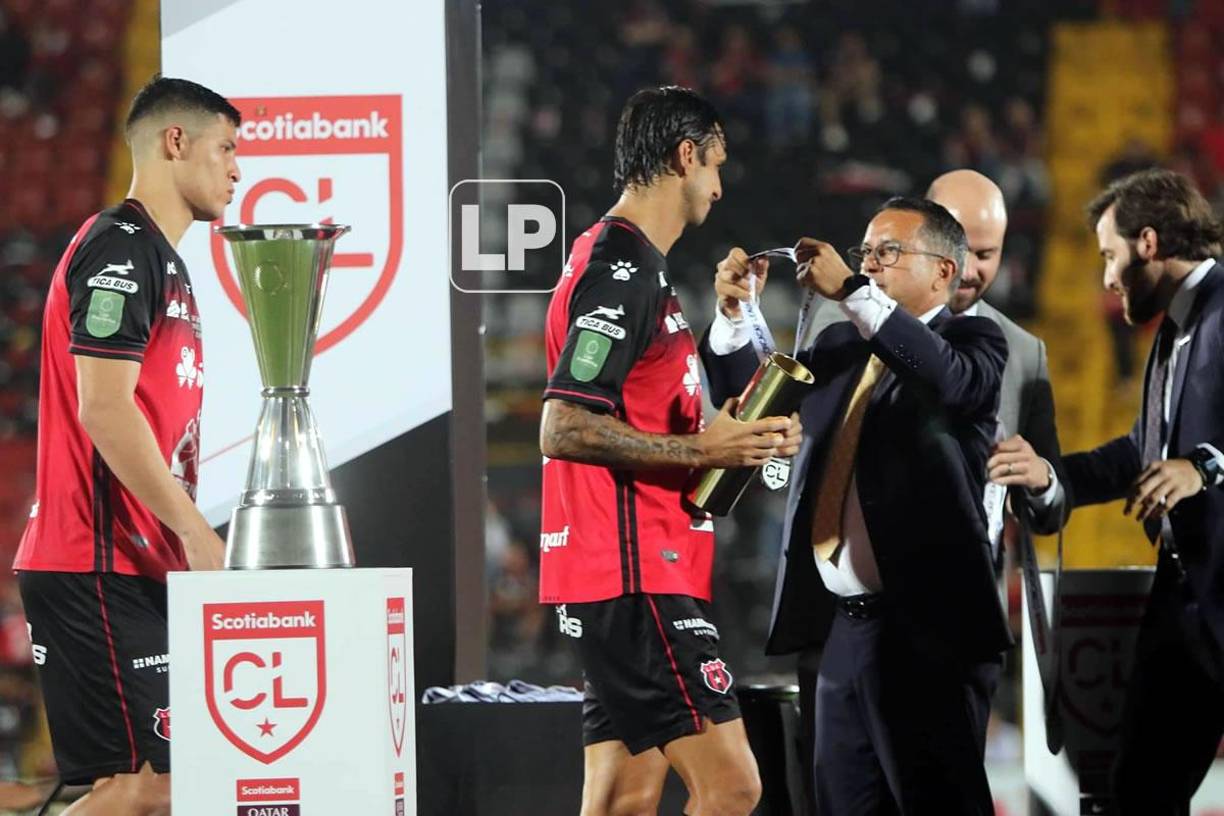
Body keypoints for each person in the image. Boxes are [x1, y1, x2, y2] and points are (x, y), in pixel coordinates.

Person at [538, 86, 800, 816]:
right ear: (686, 157)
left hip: (631, 571)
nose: (718, 187)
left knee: (627, 795)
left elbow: (670, 417)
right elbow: (563, 426)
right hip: (636, 577)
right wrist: (700, 449)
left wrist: (739, 433)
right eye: (716, 166)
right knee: (734, 786)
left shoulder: (640, 270)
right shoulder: (620, 272)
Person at [702, 197, 1010, 813]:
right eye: (865, 251)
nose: (870, 263)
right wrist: (737, 316)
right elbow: (756, 401)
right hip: (841, 628)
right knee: (842, 803)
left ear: (943, 273)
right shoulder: (842, 344)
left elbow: (943, 377)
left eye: (888, 252)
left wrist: (849, 288)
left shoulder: (975, 341)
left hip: (928, 630)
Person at [13, 76, 240, 816]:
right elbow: (104, 410)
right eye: (226, 148)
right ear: (176, 143)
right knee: (149, 792)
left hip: (131, 566)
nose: (237, 168)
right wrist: (192, 528)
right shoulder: (120, 245)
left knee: (140, 789)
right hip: (96, 561)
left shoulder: (166, 264)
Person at [1052, 168, 1224, 814]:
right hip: (1183, 609)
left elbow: (1188, 462)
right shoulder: (1174, 332)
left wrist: (1204, 467)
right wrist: (1051, 479)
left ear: (1147, 243)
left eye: (1109, 255)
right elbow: (1141, 453)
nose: (1105, 278)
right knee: (1139, 797)